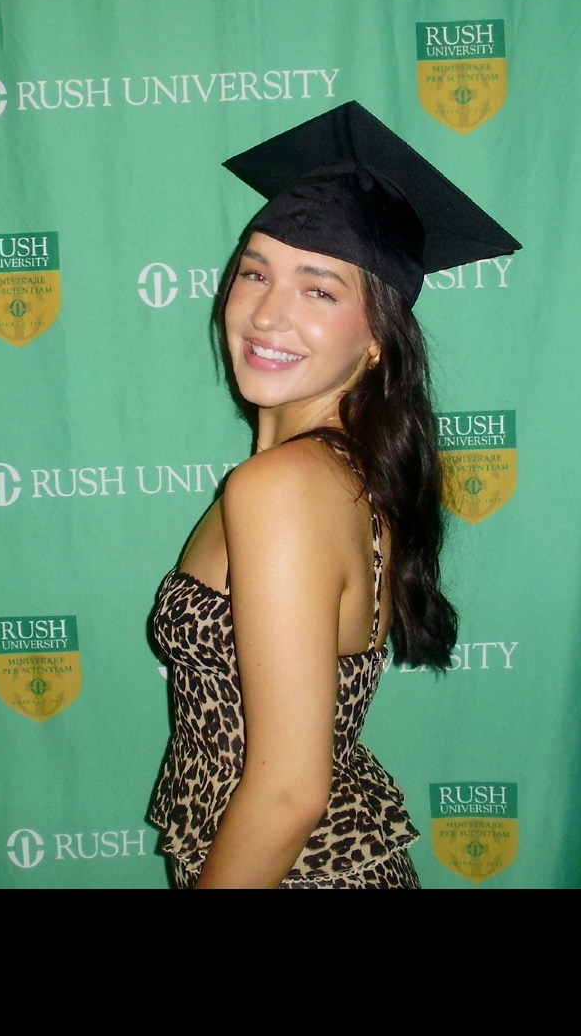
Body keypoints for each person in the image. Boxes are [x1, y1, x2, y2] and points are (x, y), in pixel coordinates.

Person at [147, 100, 521, 889]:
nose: (267, 312)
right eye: (255, 272)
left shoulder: (281, 487)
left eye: (318, 290)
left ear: (378, 337)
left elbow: (289, 793)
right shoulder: (338, 473)